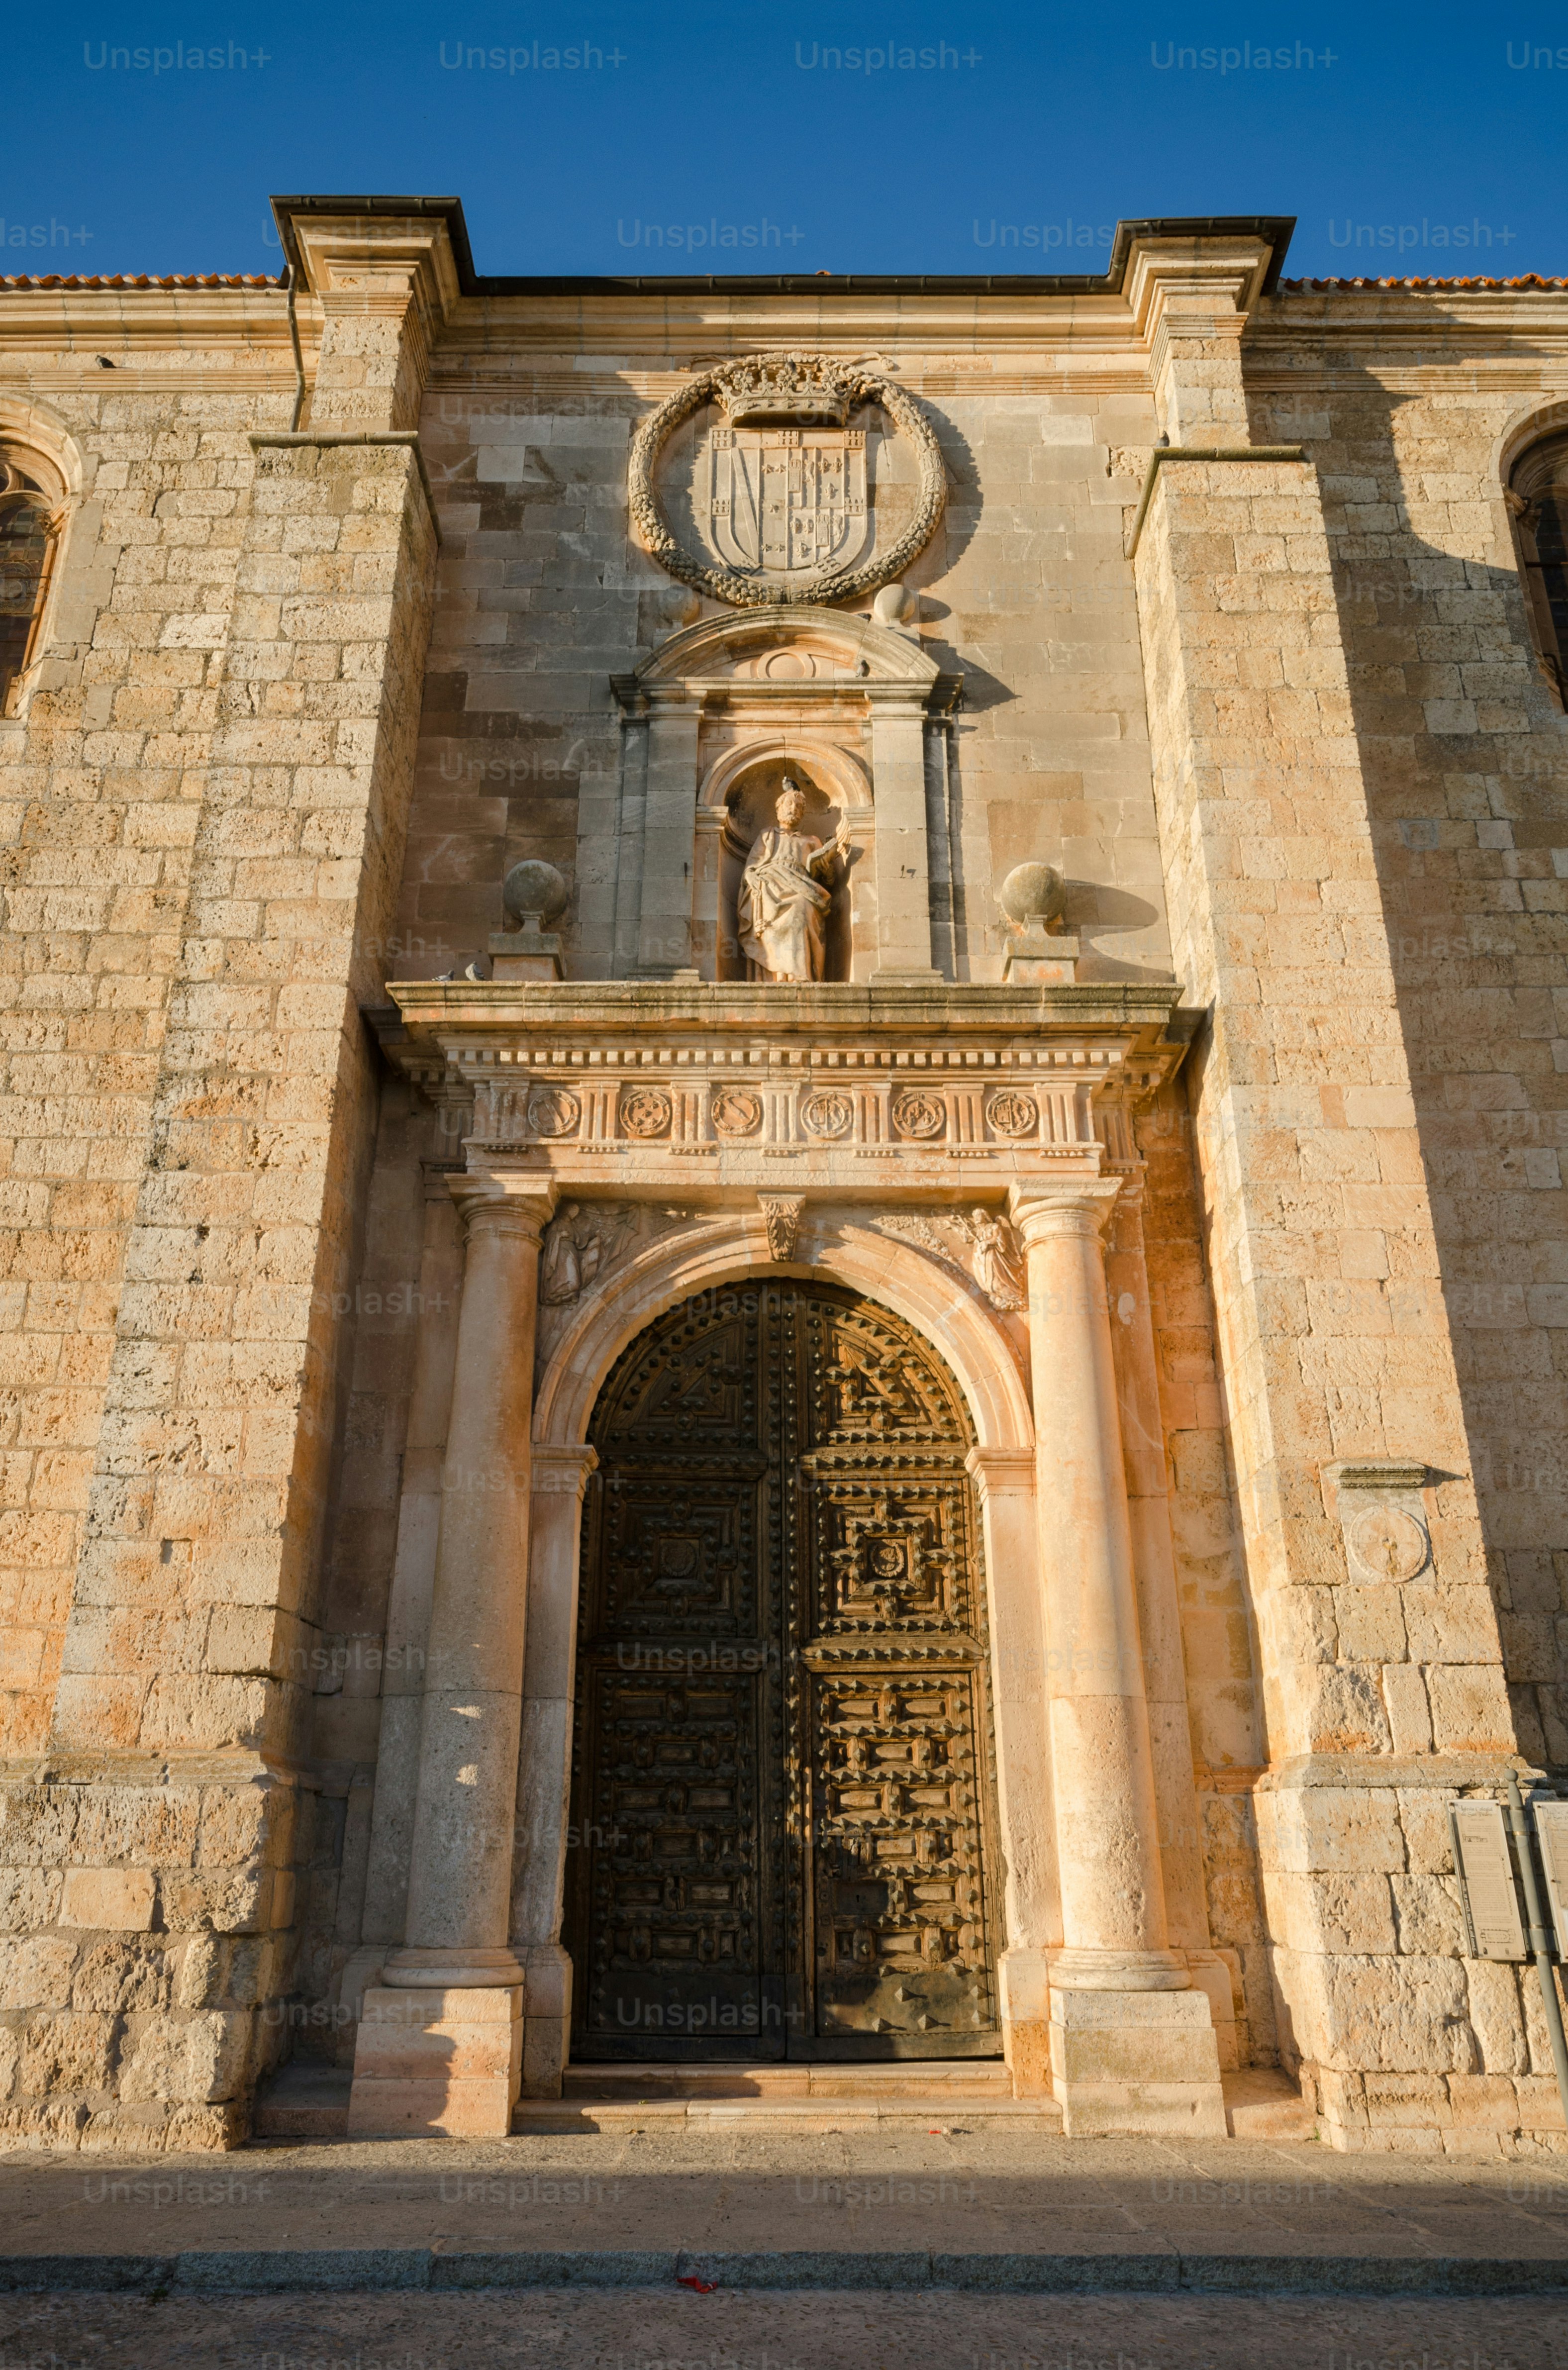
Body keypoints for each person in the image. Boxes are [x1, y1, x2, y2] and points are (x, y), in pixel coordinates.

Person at [737, 780, 849, 983]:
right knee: (771, 913)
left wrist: (826, 868)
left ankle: (801, 975)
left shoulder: (812, 841)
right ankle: (777, 976)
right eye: (789, 804)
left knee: (801, 907)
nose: (794, 809)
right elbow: (751, 867)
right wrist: (752, 876)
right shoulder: (767, 836)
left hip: (802, 889)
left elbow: (829, 880)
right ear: (779, 808)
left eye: (799, 807)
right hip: (770, 886)